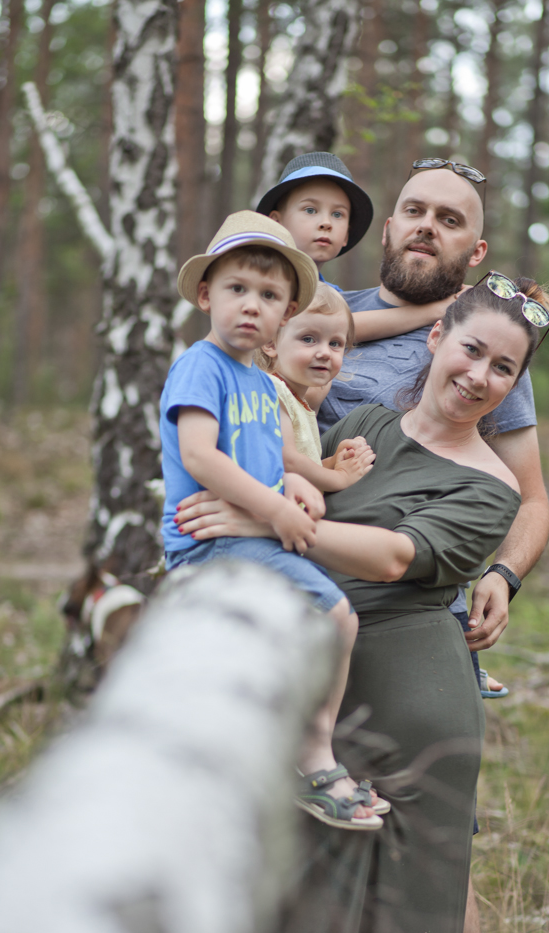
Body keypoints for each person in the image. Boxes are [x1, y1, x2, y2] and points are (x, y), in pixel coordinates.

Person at [177, 272, 549, 933]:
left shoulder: (493, 486)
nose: (479, 375)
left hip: (417, 711)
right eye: (471, 349)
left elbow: (394, 555)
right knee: (305, 918)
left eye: (504, 368)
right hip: (326, 689)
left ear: (514, 385)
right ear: (434, 342)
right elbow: (286, 472)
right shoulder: (362, 428)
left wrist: (264, 522)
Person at [316, 159, 549, 933]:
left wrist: (503, 575)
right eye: (413, 209)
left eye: (448, 218)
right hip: (318, 609)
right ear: (390, 225)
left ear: (473, 250)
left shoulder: (486, 345)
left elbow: (531, 498)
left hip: (419, 612)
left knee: (431, 860)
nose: (424, 226)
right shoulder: (329, 314)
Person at [161, 210, 383, 830]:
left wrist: (303, 482)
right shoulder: (201, 367)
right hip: (209, 544)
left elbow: (271, 451)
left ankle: (281, 749)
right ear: (207, 294)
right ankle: (313, 755)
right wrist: (277, 508)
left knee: (321, 624)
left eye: (269, 296)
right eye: (237, 290)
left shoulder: (257, 384)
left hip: (252, 536)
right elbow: (201, 453)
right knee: (336, 614)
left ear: (285, 315)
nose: (251, 306)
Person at [257, 152, 469, 342]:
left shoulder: (337, 298)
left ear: (346, 235)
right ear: (276, 222)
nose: (326, 223)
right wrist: (438, 309)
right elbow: (334, 328)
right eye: (310, 210)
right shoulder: (258, 274)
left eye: (338, 214)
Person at [257, 283, 377, 492]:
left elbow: (298, 471)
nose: (324, 353)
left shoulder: (297, 400)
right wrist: (340, 477)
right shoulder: (271, 389)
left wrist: (332, 463)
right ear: (271, 343)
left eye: (335, 343)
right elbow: (286, 461)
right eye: (308, 339)